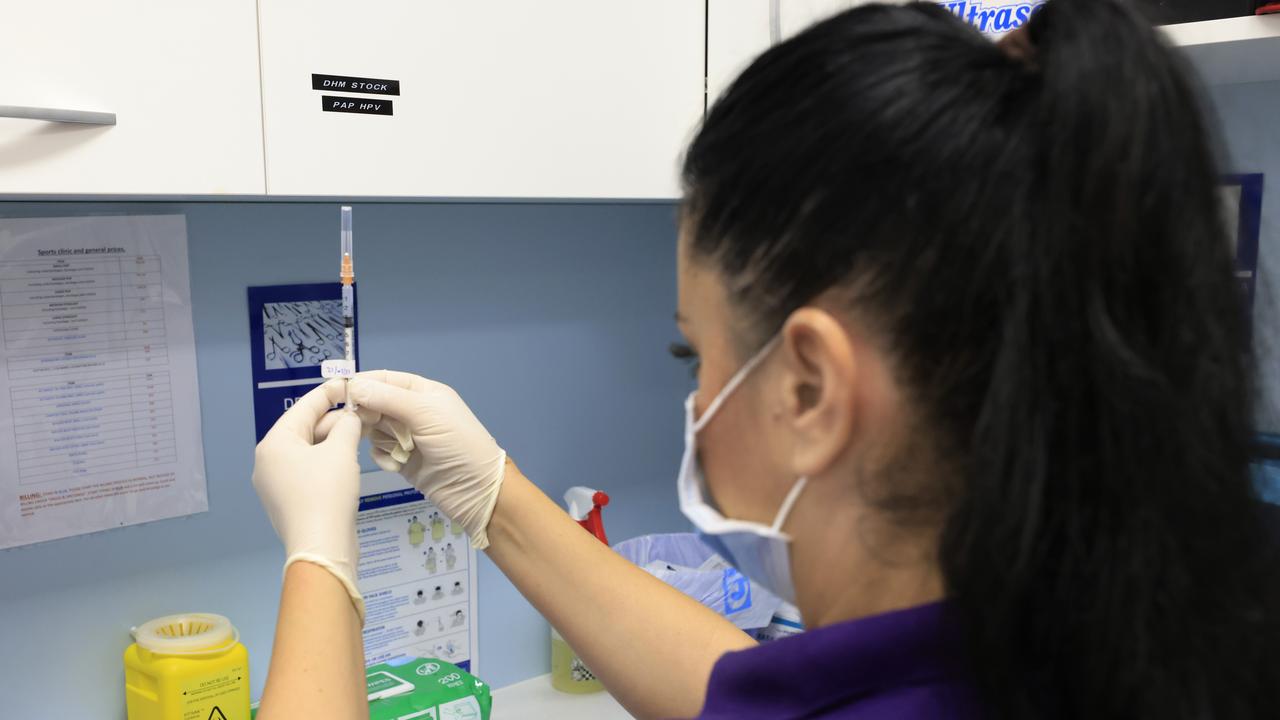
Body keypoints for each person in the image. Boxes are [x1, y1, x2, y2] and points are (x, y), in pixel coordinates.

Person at [248, 1, 1280, 718]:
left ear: (811, 390)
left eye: (690, 354)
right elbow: (745, 697)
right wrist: (489, 497)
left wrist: (317, 560)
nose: (695, 399)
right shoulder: (1099, 642)